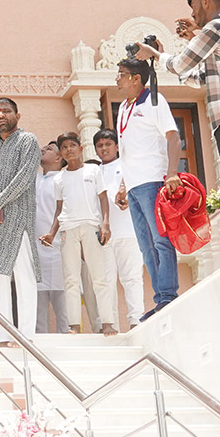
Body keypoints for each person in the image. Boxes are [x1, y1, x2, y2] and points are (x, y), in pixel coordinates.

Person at [134, 0, 220, 176]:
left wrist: (154, 53)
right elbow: (199, 79)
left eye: (194, 7)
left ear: (205, 2)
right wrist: (193, 38)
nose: (192, 14)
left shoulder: (215, 28)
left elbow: (179, 65)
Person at [113, 57, 182, 321]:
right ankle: (160, 297)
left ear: (136, 79)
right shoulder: (123, 107)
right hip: (133, 186)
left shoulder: (154, 100)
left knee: (161, 240)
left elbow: (173, 136)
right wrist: (123, 184)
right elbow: (127, 150)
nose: (117, 79)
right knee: (146, 246)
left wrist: (172, 173)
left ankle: (168, 295)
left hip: (153, 180)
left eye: (121, 74)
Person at [0, 98, 41, 347]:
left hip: (18, 217)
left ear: (18, 115)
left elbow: (23, 179)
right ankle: (3, 334)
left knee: (23, 275)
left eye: (6, 111)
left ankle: (26, 335)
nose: (1, 115)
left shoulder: (28, 141)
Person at [39, 133, 117, 336]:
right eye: (64, 147)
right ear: (61, 153)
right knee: (71, 280)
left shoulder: (93, 170)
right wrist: (51, 233)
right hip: (68, 230)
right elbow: (59, 209)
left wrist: (105, 224)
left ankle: (107, 322)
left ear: (80, 148)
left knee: (99, 277)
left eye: (72, 145)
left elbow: (103, 199)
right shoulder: (59, 178)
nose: (69, 150)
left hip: (91, 226)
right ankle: (74, 325)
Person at [93, 129, 145, 328]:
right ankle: (110, 324)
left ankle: (136, 321)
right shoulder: (93, 172)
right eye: (100, 145)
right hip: (103, 236)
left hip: (129, 231)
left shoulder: (127, 166)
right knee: (106, 282)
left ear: (116, 146)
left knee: (132, 278)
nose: (104, 149)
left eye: (108, 144)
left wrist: (128, 197)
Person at [34, 145, 68, 334]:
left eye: (49, 148)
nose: (43, 149)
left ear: (59, 158)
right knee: (38, 305)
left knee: (63, 304)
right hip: (36, 249)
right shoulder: (35, 179)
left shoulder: (63, 179)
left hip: (57, 248)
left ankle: (67, 339)